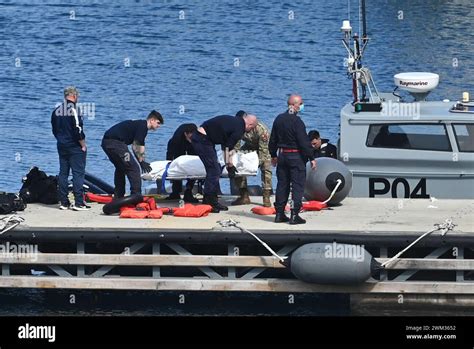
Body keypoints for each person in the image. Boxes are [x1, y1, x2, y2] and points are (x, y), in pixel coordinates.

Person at [191, 113, 258, 213]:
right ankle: (209, 201)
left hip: (203, 138)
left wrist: (228, 164)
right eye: (252, 128)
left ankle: (211, 200)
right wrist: (230, 166)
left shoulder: (235, 122)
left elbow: (225, 146)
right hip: (202, 140)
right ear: (250, 125)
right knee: (214, 171)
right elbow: (228, 148)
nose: (251, 131)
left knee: (215, 168)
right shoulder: (239, 129)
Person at [269, 94, 316, 225]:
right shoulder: (297, 121)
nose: (302, 105)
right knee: (297, 185)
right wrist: (311, 157)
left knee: (282, 184)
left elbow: (273, 139)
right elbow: (303, 142)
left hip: (282, 156)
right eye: (301, 103)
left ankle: (279, 214)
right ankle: (294, 215)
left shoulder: (279, 119)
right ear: (295, 105)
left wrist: (273, 155)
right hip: (295, 156)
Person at [101, 110, 163, 198]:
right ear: (152, 120)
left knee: (121, 167)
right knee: (133, 168)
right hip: (115, 143)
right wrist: (141, 163)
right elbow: (136, 146)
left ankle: (119, 196)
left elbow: (139, 145)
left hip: (107, 142)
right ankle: (136, 196)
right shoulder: (143, 126)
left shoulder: (140, 125)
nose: (158, 126)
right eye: (158, 123)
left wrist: (141, 161)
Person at [51, 86, 89, 211]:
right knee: (78, 173)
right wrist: (83, 145)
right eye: (77, 96)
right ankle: (78, 202)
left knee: (63, 173)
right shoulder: (73, 110)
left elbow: (54, 129)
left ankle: (64, 202)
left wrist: (61, 140)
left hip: (61, 145)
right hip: (74, 146)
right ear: (73, 95)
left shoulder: (57, 110)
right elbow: (78, 129)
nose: (78, 98)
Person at [232, 111, 272, 207]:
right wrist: (235, 157)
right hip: (249, 145)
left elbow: (263, 151)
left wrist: (255, 164)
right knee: (236, 163)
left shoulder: (261, 130)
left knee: (266, 167)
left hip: (263, 147)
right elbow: (236, 144)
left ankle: (266, 197)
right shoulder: (237, 126)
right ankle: (244, 195)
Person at [165, 123, 199, 203]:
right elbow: (170, 153)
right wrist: (168, 162)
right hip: (178, 146)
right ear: (185, 134)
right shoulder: (177, 139)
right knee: (177, 166)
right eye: (190, 137)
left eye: (193, 137)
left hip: (192, 145)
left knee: (194, 165)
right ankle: (175, 192)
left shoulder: (196, 137)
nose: (192, 139)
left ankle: (188, 191)